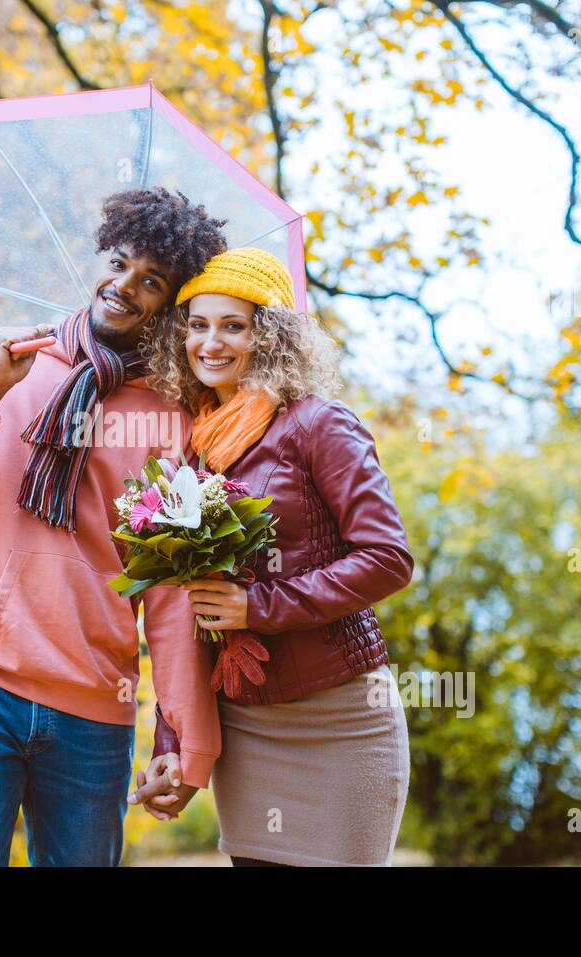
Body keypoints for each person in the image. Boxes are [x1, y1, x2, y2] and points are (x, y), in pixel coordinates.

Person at [0, 186, 228, 866]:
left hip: (94, 707)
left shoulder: (167, 418)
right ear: (97, 259)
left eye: (151, 280)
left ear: (169, 304)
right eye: (119, 262)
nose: (124, 285)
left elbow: (167, 593)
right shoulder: (1, 362)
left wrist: (189, 742)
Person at [127, 247, 415, 867]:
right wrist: (172, 738)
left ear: (271, 336)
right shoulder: (190, 455)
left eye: (235, 325)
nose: (213, 342)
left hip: (339, 712)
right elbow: (189, 620)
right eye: (198, 325)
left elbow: (388, 557)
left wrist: (258, 605)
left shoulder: (319, 424)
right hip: (247, 726)